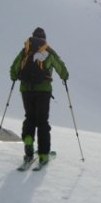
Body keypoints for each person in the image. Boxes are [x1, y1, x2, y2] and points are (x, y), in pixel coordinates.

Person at [10, 27, 69, 165]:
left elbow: (14, 68)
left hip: (26, 90)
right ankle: (43, 154)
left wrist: (14, 77)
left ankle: (29, 143)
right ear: (44, 38)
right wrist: (65, 76)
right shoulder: (47, 51)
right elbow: (60, 67)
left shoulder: (25, 50)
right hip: (43, 91)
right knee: (42, 121)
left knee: (29, 118)